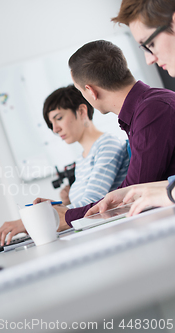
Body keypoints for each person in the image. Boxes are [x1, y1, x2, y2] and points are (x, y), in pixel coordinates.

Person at [0, 40, 175, 246]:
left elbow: (134, 191)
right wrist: (65, 210)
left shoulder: (152, 110)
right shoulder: (145, 110)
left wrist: (66, 216)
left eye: (80, 91)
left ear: (91, 91)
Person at [85, 0, 175, 217]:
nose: (149, 59)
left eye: (150, 44)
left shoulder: (154, 108)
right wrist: (147, 190)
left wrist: (168, 194)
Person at [42, 85, 129, 208]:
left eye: (59, 118)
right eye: (51, 124)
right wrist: (65, 204)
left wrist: (54, 212)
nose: (55, 129)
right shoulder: (81, 159)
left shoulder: (107, 145)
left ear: (82, 111)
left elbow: (93, 202)